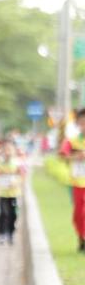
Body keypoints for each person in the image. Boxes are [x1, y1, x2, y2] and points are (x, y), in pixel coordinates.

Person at [59, 108, 85, 252]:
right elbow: (62, 155)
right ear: (78, 124)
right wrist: (76, 157)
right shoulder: (72, 141)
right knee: (78, 214)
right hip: (77, 184)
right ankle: (81, 237)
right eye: (82, 123)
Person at [0, 138, 24, 246]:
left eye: (10, 150)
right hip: (2, 193)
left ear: (14, 151)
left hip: (14, 194)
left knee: (13, 214)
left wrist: (16, 182)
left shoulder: (17, 163)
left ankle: (11, 233)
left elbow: (22, 176)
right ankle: (1, 233)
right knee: (3, 213)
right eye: (5, 150)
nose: (7, 152)